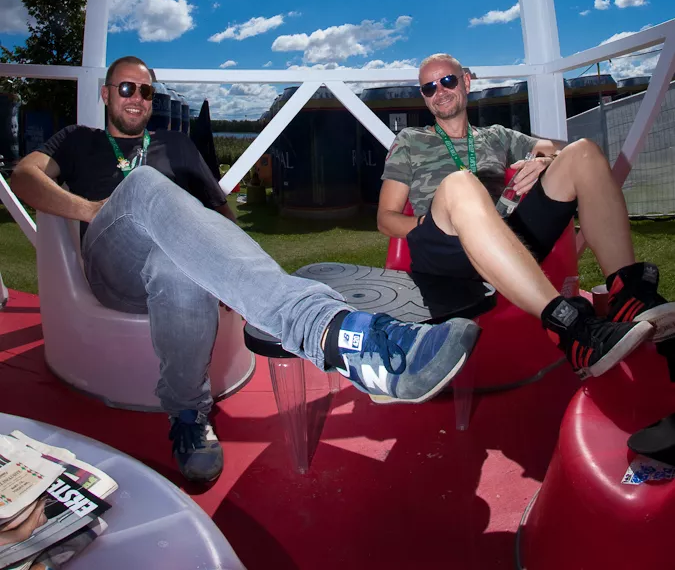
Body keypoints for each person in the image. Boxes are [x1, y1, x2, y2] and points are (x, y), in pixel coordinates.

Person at [10, 56, 480, 484]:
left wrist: (226, 270)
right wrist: (92, 209)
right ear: (106, 93)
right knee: (143, 183)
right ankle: (333, 331)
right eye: (127, 89)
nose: (137, 98)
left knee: (177, 271)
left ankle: (189, 416)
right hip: (113, 262)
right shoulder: (78, 140)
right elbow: (24, 176)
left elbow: (220, 212)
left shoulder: (176, 144)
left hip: (173, 266)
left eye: (146, 91)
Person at [378, 53, 675, 380]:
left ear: (466, 82)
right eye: (429, 87)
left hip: (506, 236)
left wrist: (545, 161)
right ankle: (572, 329)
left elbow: (553, 147)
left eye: (447, 81)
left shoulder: (496, 136)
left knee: (583, 153)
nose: (440, 91)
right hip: (445, 251)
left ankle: (628, 296)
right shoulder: (410, 141)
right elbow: (386, 218)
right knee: (460, 183)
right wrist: (428, 223)